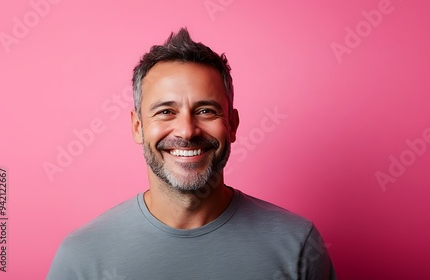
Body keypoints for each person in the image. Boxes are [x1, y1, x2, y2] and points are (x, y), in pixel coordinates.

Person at [47, 28, 336, 280]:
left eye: (205, 111)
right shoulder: (82, 257)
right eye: (166, 112)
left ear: (232, 125)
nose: (187, 131)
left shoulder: (298, 245)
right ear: (138, 127)